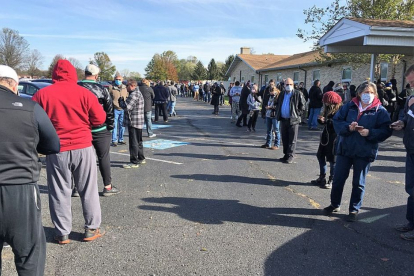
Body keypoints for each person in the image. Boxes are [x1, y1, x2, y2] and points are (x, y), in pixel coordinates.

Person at [33, 59, 107, 244]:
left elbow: (33, 120)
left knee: (59, 190)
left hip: (56, 148)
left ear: (54, 74)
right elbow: (99, 119)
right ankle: (91, 228)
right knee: (88, 189)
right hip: (82, 145)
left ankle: (62, 232)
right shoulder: (84, 93)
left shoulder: (42, 94)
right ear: (74, 74)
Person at [0, 65, 59, 275]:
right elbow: (53, 145)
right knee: (29, 256)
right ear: (14, 85)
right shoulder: (29, 108)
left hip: (18, 184)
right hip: (20, 188)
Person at [323, 81, 392, 222]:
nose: (369, 95)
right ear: (359, 93)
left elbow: (386, 130)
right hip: (345, 149)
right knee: (338, 179)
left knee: (358, 182)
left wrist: (370, 132)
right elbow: (337, 121)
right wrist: (348, 128)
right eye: (366, 92)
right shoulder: (349, 106)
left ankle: (354, 209)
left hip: (364, 151)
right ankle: (334, 204)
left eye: (371, 93)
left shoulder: (380, 110)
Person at [78, 64, 120, 196]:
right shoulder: (101, 89)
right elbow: (109, 109)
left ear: (85, 73)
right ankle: (107, 186)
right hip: (100, 128)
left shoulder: (76, 88)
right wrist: (111, 126)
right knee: (103, 157)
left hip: (81, 128)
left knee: (80, 159)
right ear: (96, 76)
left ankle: (77, 188)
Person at [390, 64, 414, 240]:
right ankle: (411, 222)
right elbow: (407, 117)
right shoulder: (411, 98)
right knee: (411, 188)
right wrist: (403, 123)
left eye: (413, 82)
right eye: (410, 83)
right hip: (411, 148)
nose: (411, 87)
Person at [310, 91, 342, 189]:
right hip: (326, 136)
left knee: (333, 160)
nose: (326, 104)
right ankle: (322, 177)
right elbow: (325, 122)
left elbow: (339, 123)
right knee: (320, 155)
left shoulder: (340, 110)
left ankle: (332, 179)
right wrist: (321, 120)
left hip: (334, 137)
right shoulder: (327, 108)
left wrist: (327, 121)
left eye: (327, 102)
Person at [275, 78, 306, 163]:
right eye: (287, 84)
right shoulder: (282, 94)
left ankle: (290, 155)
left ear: (293, 85)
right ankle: (286, 154)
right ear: (284, 85)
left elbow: (303, 106)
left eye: (290, 84)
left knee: (292, 139)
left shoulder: (298, 93)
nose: (288, 86)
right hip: (283, 119)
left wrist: (297, 114)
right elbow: (278, 104)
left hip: (293, 120)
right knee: (284, 138)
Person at [119, 79, 146, 169]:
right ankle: (141, 157)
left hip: (134, 121)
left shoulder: (134, 94)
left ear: (132, 86)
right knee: (138, 141)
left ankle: (134, 161)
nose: (126, 87)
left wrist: (121, 102)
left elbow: (127, 108)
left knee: (133, 142)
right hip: (139, 121)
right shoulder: (137, 92)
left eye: (127, 86)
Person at [109, 72, 128, 147]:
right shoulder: (111, 87)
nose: (118, 80)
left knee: (122, 125)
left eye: (119, 79)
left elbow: (127, 96)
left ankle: (121, 139)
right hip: (115, 109)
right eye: (117, 79)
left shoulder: (125, 87)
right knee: (114, 125)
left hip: (123, 109)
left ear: (122, 80)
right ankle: (114, 140)